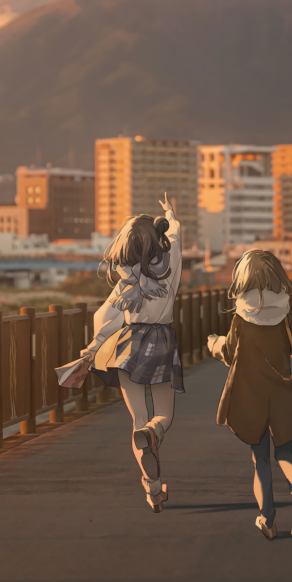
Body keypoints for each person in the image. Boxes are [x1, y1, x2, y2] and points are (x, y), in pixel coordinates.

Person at [207, 249, 292, 541]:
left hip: (250, 399)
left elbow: (228, 352)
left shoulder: (241, 318)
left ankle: (267, 519)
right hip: (283, 397)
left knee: (260, 459)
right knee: (285, 451)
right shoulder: (285, 317)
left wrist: (214, 344)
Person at [77, 193, 183, 513]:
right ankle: (153, 433)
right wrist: (170, 213)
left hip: (128, 346)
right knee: (163, 415)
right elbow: (176, 236)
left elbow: (104, 319)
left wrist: (93, 348)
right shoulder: (170, 265)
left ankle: (152, 489)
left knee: (137, 419)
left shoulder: (125, 283)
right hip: (161, 344)